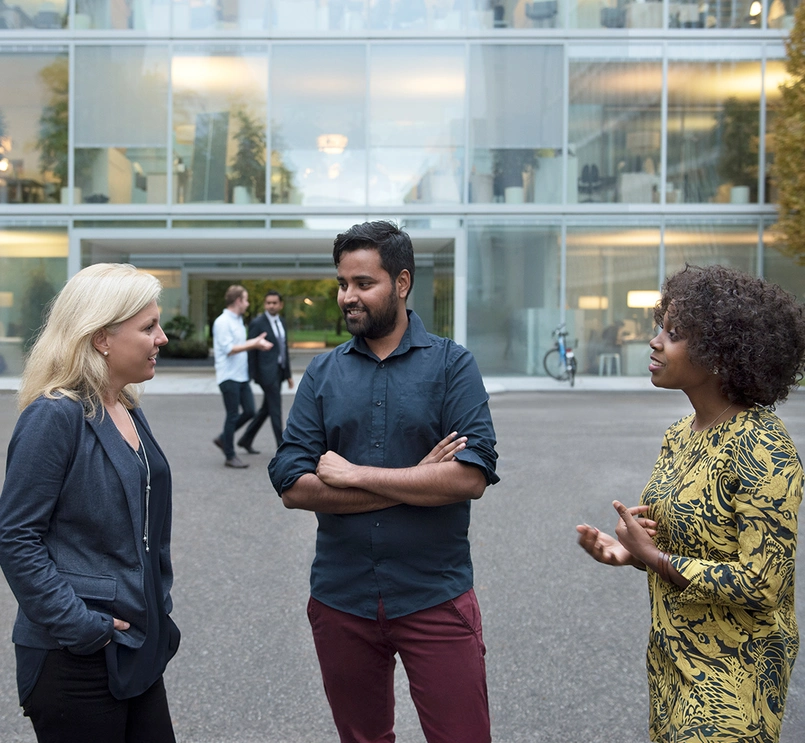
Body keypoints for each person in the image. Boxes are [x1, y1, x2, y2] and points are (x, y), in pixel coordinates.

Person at [269, 221, 500, 743]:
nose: (348, 296)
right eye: (342, 284)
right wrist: (419, 478)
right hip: (341, 599)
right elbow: (290, 483)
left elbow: (470, 476)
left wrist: (355, 475)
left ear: (401, 282)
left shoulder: (452, 365)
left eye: (363, 284)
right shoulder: (323, 373)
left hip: (434, 596)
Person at [576, 264, 805, 743]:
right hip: (672, 663)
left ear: (721, 355)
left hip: (733, 678)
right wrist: (627, 554)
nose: (655, 342)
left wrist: (653, 557)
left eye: (674, 334)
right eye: (661, 327)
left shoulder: (765, 450)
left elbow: (763, 582)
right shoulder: (680, 435)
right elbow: (685, 543)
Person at [0, 263, 181, 742]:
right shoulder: (54, 416)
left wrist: (157, 610)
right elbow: (16, 538)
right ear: (102, 337)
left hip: (135, 644)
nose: (161, 337)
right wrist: (83, 626)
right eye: (148, 327)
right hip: (74, 659)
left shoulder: (125, 405)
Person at [211, 284, 273, 468]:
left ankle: (224, 438)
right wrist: (253, 344)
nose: (247, 303)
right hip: (228, 376)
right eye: (245, 299)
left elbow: (238, 344)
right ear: (238, 300)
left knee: (250, 411)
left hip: (241, 375)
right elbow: (229, 349)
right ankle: (230, 455)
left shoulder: (237, 320)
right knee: (232, 415)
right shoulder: (222, 322)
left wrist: (253, 342)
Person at [237, 290, 294, 455]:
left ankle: (246, 439)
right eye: (268, 303)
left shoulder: (282, 322)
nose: (271, 305)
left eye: (274, 303)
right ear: (265, 304)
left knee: (267, 409)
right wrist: (253, 375)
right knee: (276, 408)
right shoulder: (258, 323)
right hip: (265, 374)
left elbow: (284, 349)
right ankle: (283, 448)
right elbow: (251, 351)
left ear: (280, 305)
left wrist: (288, 374)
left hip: (279, 372)